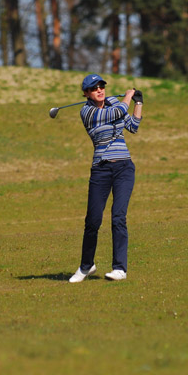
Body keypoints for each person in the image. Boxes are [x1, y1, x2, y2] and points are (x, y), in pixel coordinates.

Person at [69, 73, 143, 283]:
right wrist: (128, 96)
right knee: (93, 220)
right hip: (101, 170)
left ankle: (119, 268)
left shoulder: (113, 103)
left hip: (123, 168)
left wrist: (138, 103)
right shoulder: (87, 112)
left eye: (101, 86)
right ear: (86, 93)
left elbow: (133, 126)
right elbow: (118, 112)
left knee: (118, 217)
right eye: (94, 88)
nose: (99, 90)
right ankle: (86, 266)